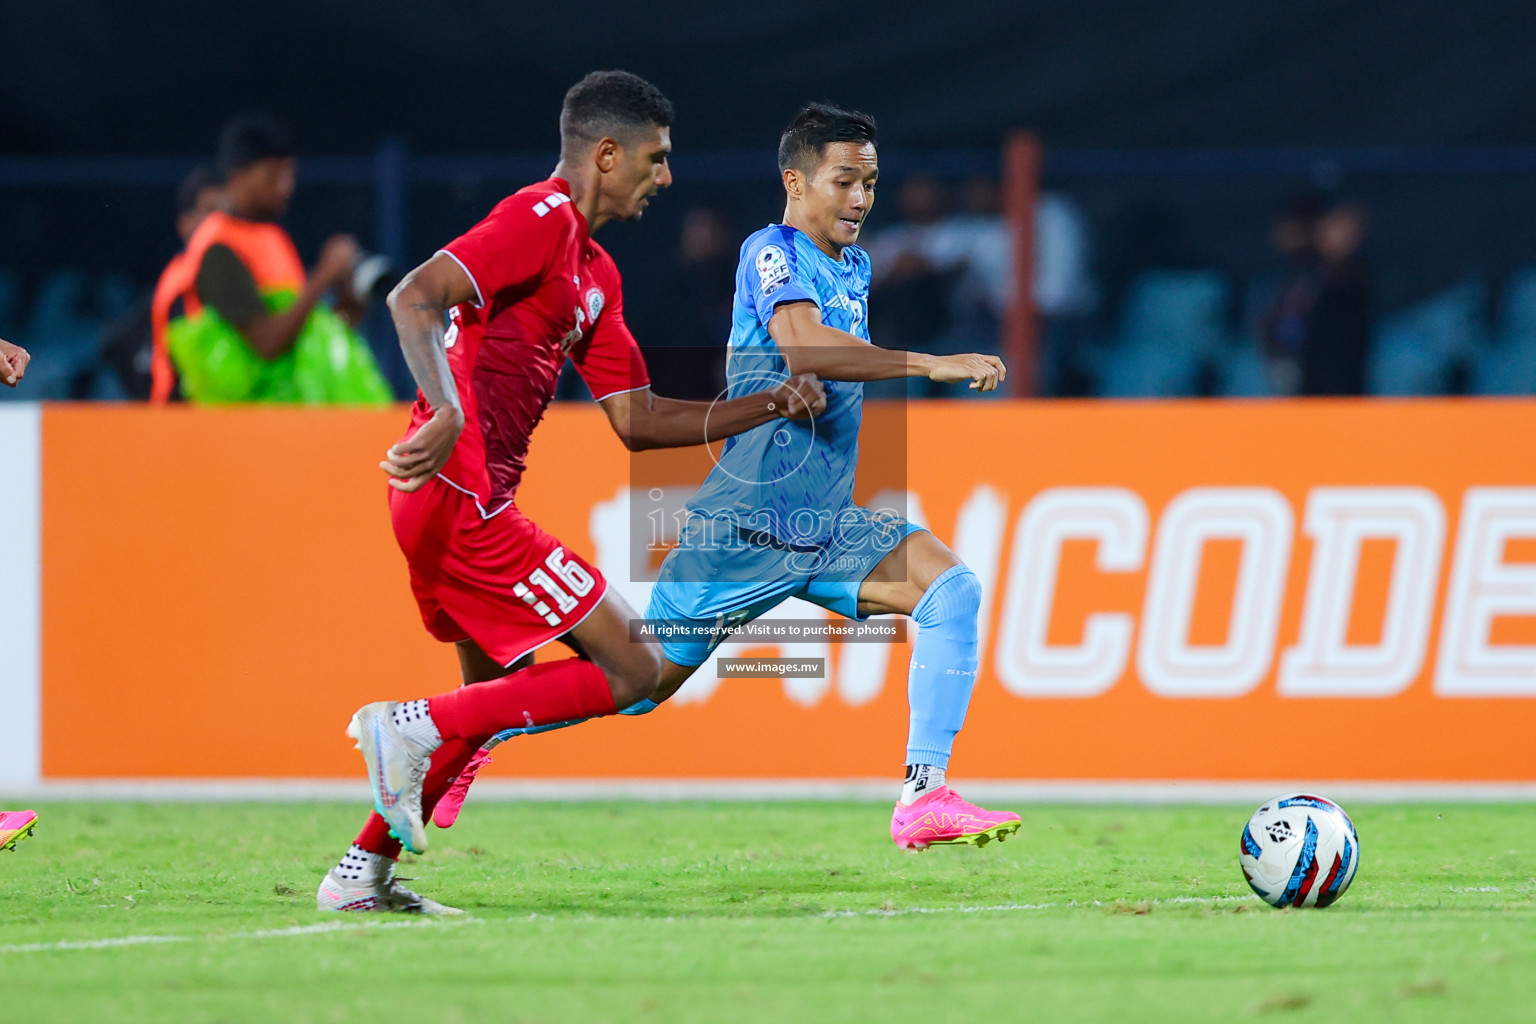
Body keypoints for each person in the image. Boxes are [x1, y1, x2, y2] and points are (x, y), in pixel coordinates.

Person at [434, 103, 1020, 855]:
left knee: (951, 590)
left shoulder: (857, 265)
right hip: (747, 529)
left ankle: (922, 793)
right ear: (796, 180)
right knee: (638, 686)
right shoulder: (769, 252)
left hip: (824, 523)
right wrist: (929, 362)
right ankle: (462, 727)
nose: (861, 199)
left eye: (871, 183)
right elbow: (804, 346)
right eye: (845, 181)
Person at [319, 70, 826, 915]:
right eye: (656, 160)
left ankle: (360, 875)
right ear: (606, 153)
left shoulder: (593, 273)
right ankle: (404, 727)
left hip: (455, 500)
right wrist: (445, 407)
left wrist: (767, 402)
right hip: (459, 490)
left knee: (484, 700)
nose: (666, 179)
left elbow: (638, 418)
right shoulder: (538, 218)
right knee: (633, 669)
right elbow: (413, 296)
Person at [168, 114, 391, 404]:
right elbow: (268, 345)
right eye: (273, 176)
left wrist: (347, 300)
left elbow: (306, 340)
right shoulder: (217, 248)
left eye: (289, 175)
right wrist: (322, 277)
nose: (285, 187)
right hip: (239, 426)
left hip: (287, 416)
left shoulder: (272, 239)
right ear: (239, 177)